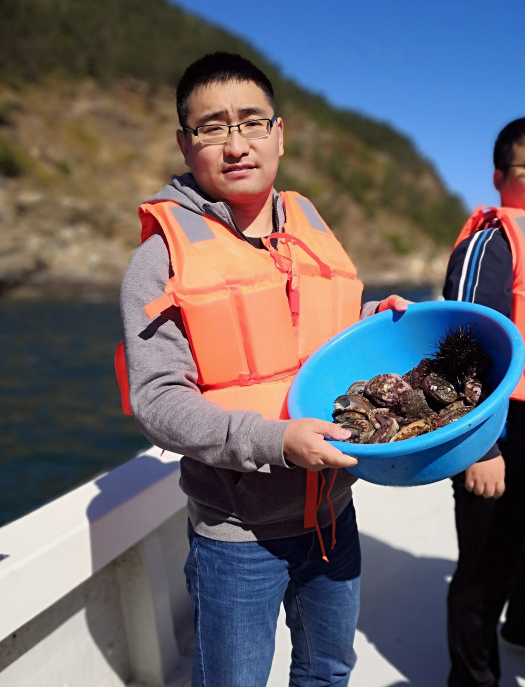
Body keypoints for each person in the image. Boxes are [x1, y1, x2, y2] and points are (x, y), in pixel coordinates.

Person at [118, 51, 408, 687]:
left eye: (251, 122)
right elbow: (159, 401)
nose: (235, 143)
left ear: (278, 134)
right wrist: (275, 441)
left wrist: (376, 319)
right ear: (184, 143)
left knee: (328, 671)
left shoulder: (308, 227)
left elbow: (319, 331)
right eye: (211, 127)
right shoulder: (159, 258)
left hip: (334, 514)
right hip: (236, 535)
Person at [443, 117, 525, 687]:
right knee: (484, 571)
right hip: (503, 426)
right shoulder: (491, 242)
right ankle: (473, 681)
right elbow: (464, 350)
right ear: (500, 177)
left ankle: (519, 629)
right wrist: (481, 446)